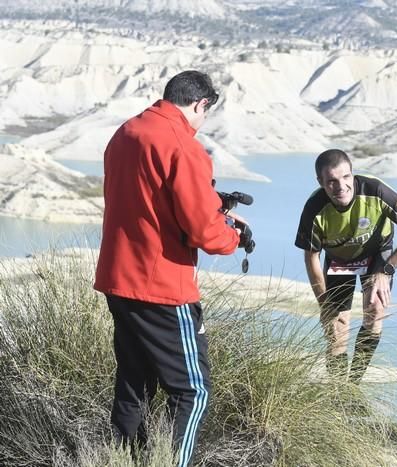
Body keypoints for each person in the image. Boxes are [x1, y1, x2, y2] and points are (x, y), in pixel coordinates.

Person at [94, 70, 243, 466]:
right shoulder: (184, 147)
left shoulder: (126, 133)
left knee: (134, 387)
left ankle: (123, 460)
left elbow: (149, 203)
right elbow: (203, 232)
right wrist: (233, 235)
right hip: (162, 288)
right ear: (201, 104)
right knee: (193, 391)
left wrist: (211, 205)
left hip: (118, 280)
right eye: (205, 113)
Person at [295, 149, 397, 383]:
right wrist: (323, 304)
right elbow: (311, 257)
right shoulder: (314, 208)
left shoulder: (375, 190)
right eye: (332, 181)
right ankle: (338, 391)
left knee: (375, 310)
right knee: (336, 329)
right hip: (339, 260)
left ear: (352, 174)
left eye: (346, 177)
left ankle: (354, 382)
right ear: (321, 182)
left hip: (376, 257)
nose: (341, 186)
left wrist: (386, 271)